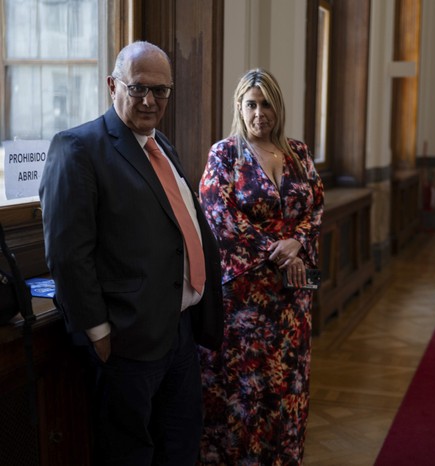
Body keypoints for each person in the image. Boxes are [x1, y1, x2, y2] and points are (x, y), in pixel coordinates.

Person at [39, 41, 223, 465]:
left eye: (160, 91)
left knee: (180, 444)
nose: (149, 100)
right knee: (129, 454)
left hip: (178, 332)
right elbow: (68, 254)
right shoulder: (79, 148)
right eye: (138, 88)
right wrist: (98, 333)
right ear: (112, 85)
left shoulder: (162, 147)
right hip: (126, 341)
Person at [197, 68, 324, 465]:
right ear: (239, 107)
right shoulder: (224, 155)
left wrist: (297, 242)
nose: (259, 113)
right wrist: (275, 247)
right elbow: (219, 215)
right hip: (244, 301)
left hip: (292, 297)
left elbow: (316, 206)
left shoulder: (299, 153)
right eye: (251, 104)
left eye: (266, 103)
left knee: (287, 388)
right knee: (245, 393)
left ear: (278, 106)